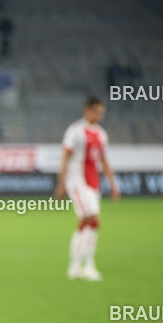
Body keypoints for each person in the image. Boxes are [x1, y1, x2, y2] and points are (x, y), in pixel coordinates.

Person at [54, 96, 120, 281]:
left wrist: (113, 185)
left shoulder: (101, 134)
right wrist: (61, 183)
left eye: (102, 113)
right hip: (77, 183)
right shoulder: (76, 131)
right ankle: (88, 265)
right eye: (97, 112)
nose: (100, 115)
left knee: (85, 223)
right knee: (93, 220)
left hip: (93, 184)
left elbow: (104, 161)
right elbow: (65, 157)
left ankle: (75, 266)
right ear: (88, 110)